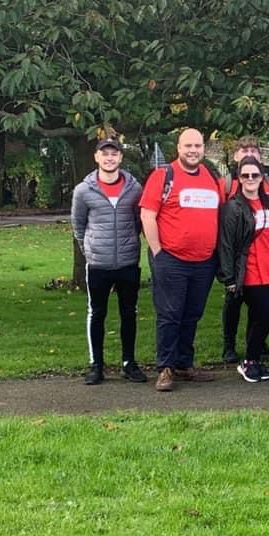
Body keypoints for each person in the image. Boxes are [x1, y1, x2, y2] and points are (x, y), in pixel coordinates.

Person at [140, 128, 222, 392]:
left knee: (191, 314)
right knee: (170, 314)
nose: (193, 150)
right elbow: (147, 215)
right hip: (171, 259)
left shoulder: (210, 177)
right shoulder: (163, 176)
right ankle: (165, 367)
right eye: (188, 145)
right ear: (178, 147)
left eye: (197, 146)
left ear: (203, 148)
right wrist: (158, 252)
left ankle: (184, 364)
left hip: (203, 262)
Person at [71, 137, 145, 385]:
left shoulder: (135, 189)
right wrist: (89, 251)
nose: (110, 158)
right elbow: (78, 226)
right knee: (97, 314)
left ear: (121, 158)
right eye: (105, 154)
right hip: (98, 264)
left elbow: (139, 221)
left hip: (127, 263)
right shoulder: (83, 191)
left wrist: (131, 246)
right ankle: (97, 365)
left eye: (114, 154)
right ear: (97, 157)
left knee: (129, 313)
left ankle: (129, 363)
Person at [217, 156, 269, 383]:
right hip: (250, 272)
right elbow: (225, 244)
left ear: (262, 177)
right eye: (245, 175)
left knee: (258, 317)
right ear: (239, 178)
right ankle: (250, 361)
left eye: (255, 174)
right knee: (268, 313)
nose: (250, 179)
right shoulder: (233, 207)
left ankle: (254, 360)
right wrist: (229, 278)